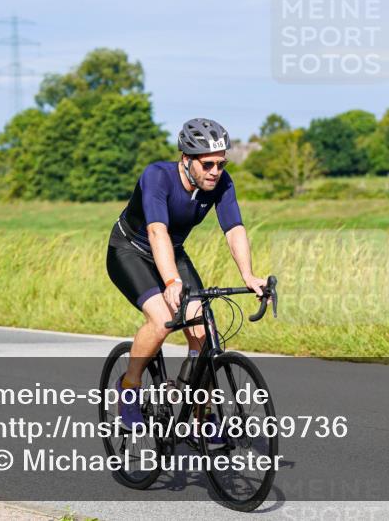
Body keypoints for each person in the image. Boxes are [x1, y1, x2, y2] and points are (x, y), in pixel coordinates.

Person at [105, 117, 267, 431]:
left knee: (204, 332)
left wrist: (248, 275)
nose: (215, 171)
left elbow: (234, 229)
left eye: (221, 164)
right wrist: (171, 281)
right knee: (162, 319)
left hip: (173, 251)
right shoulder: (157, 176)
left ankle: (200, 417)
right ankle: (128, 389)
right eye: (208, 164)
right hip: (130, 251)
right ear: (186, 159)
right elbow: (156, 231)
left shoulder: (222, 183)